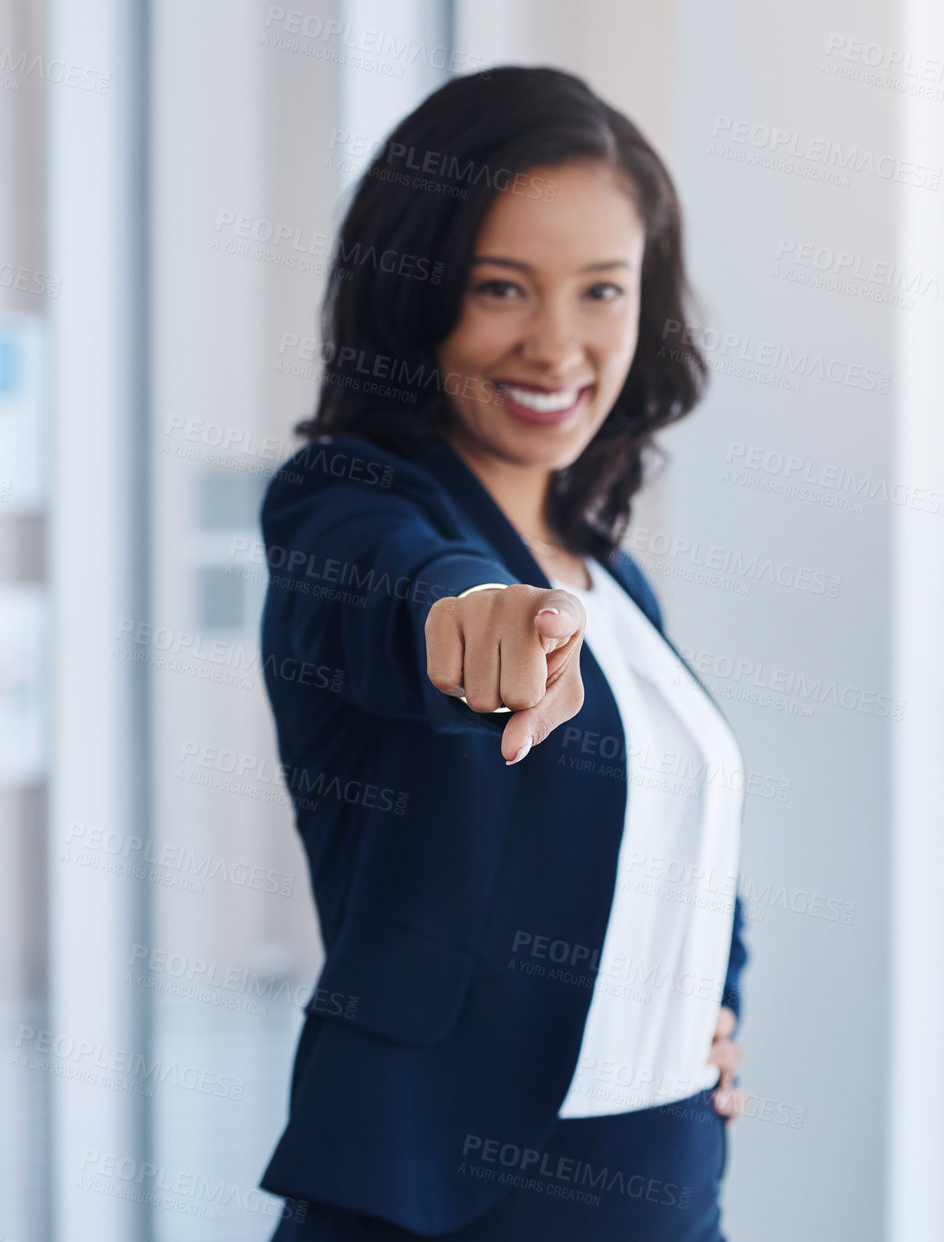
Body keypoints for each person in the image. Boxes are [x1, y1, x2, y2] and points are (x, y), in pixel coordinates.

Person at [255, 66, 751, 1241]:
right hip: (457, 1203)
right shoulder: (350, 502)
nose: (556, 345)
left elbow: (681, 832)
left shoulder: (606, 574)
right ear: (414, 289)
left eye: (602, 292)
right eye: (500, 287)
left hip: (666, 1180)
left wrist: (710, 1007)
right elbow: (407, 593)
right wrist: (473, 620)